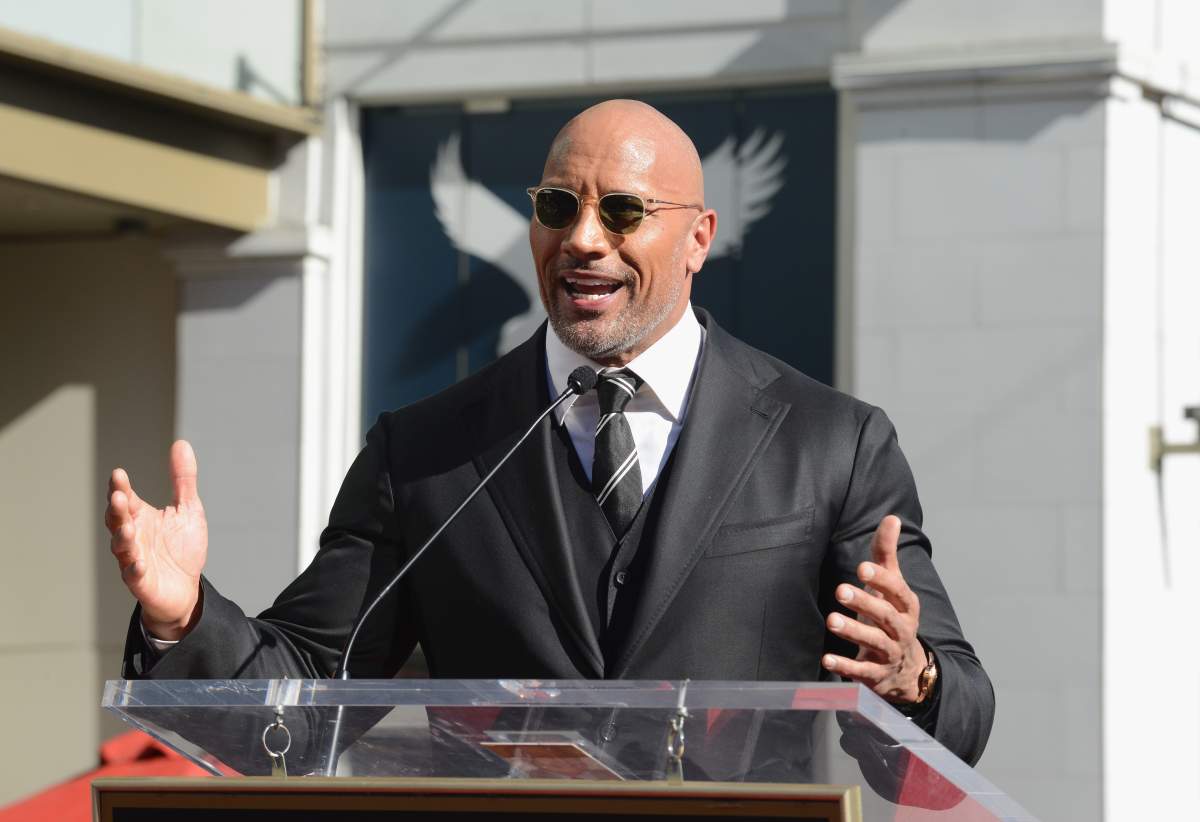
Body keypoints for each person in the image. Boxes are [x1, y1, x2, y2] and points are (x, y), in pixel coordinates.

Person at [107, 100, 994, 766]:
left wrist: (910, 675)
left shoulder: (832, 444)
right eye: (559, 205)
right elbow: (298, 707)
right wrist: (182, 615)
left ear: (699, 239)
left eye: (622, 213)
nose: (582, 239)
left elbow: (957, 718)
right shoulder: (425, 451)